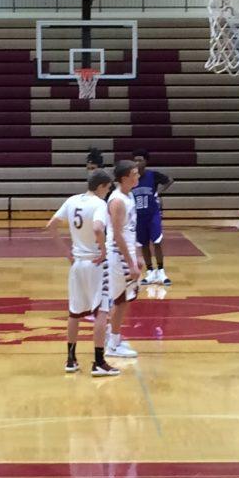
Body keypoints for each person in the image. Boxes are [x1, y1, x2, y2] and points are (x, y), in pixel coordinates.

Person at [46, 169, 119, 376]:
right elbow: (98, 228)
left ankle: (71, 360)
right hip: (95, 264)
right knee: (102, 312)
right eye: (108, 187)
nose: (108, 191)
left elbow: (51, 226)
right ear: (101, 187)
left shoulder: (72, 200)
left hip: (77, 264)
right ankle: (98, 362)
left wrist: (67, 253)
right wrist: (104, 250)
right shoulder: (99, 204)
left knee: (74, 312)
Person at [105, 160, 144, 359]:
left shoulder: (129, 196)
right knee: (121, 300)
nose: (138, 176)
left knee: (125, 299)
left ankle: (113, 337)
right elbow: (117, 235)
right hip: (118, 255)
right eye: (134, 174)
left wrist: (137, 255)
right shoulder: (118, 200)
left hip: (126, 252)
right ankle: (112, 344)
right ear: (124, 178)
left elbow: (131, 230)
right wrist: (130, 262)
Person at [131, 149, 173, 285]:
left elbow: (169, 180)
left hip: (152, 214)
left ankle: (160, 270)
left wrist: (158, 193)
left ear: (146, 161)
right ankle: (150, 272)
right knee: (143, 244)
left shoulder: (152, 175)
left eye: (140, 160)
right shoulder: (131, 178)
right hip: (138, 216)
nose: (137, 162)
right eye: (135, 160)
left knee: (156, 241)